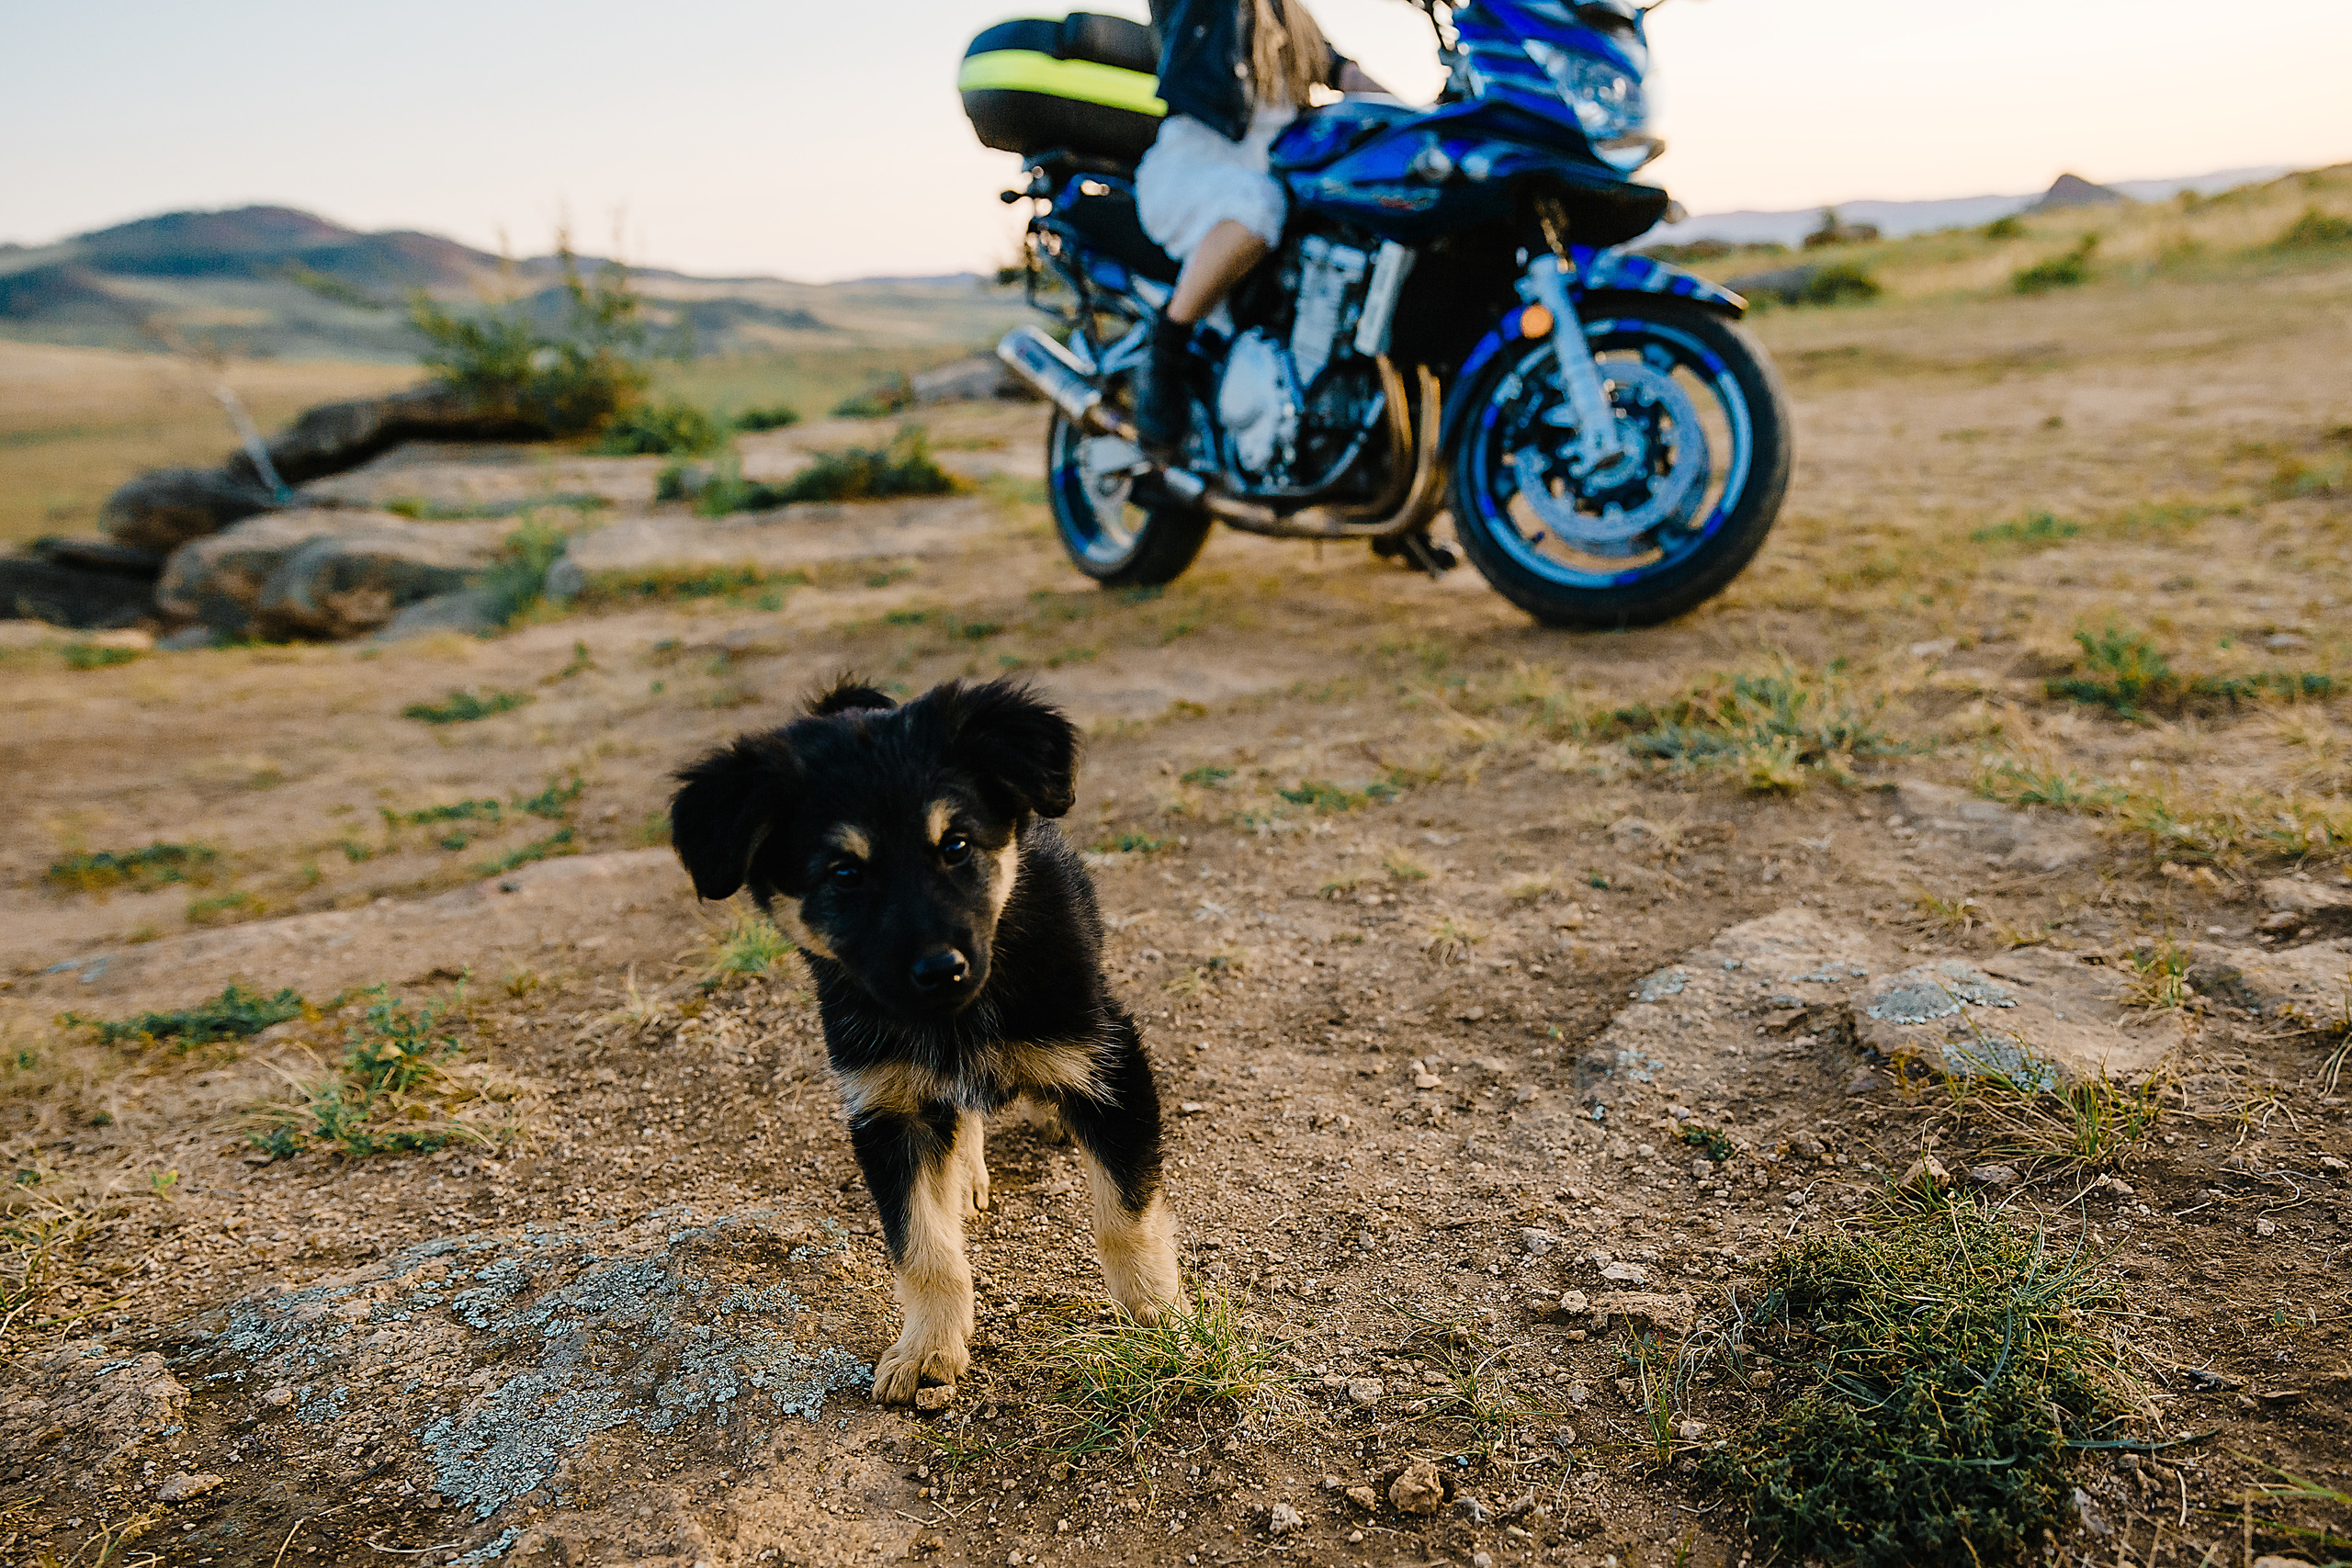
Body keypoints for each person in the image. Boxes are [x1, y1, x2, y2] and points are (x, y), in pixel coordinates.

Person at [1134, 0, 1387, 453]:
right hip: (1196, 169)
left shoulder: (1292, 18)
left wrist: (1424, 118)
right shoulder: (1206, 9)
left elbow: (1344, 74)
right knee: (1258, 206)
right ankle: (1165, 350)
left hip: (1273, 174)